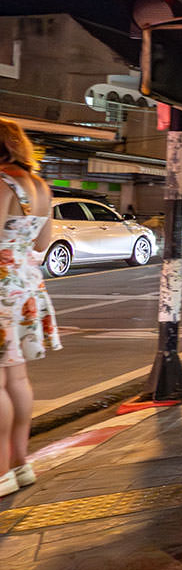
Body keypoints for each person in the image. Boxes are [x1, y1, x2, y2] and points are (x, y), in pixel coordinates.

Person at [0, 118, 61, 496]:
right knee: (17, 380)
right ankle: (20, 464)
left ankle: (1, 471)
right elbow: (43, 243)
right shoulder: (39, 185)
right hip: (24, 286)